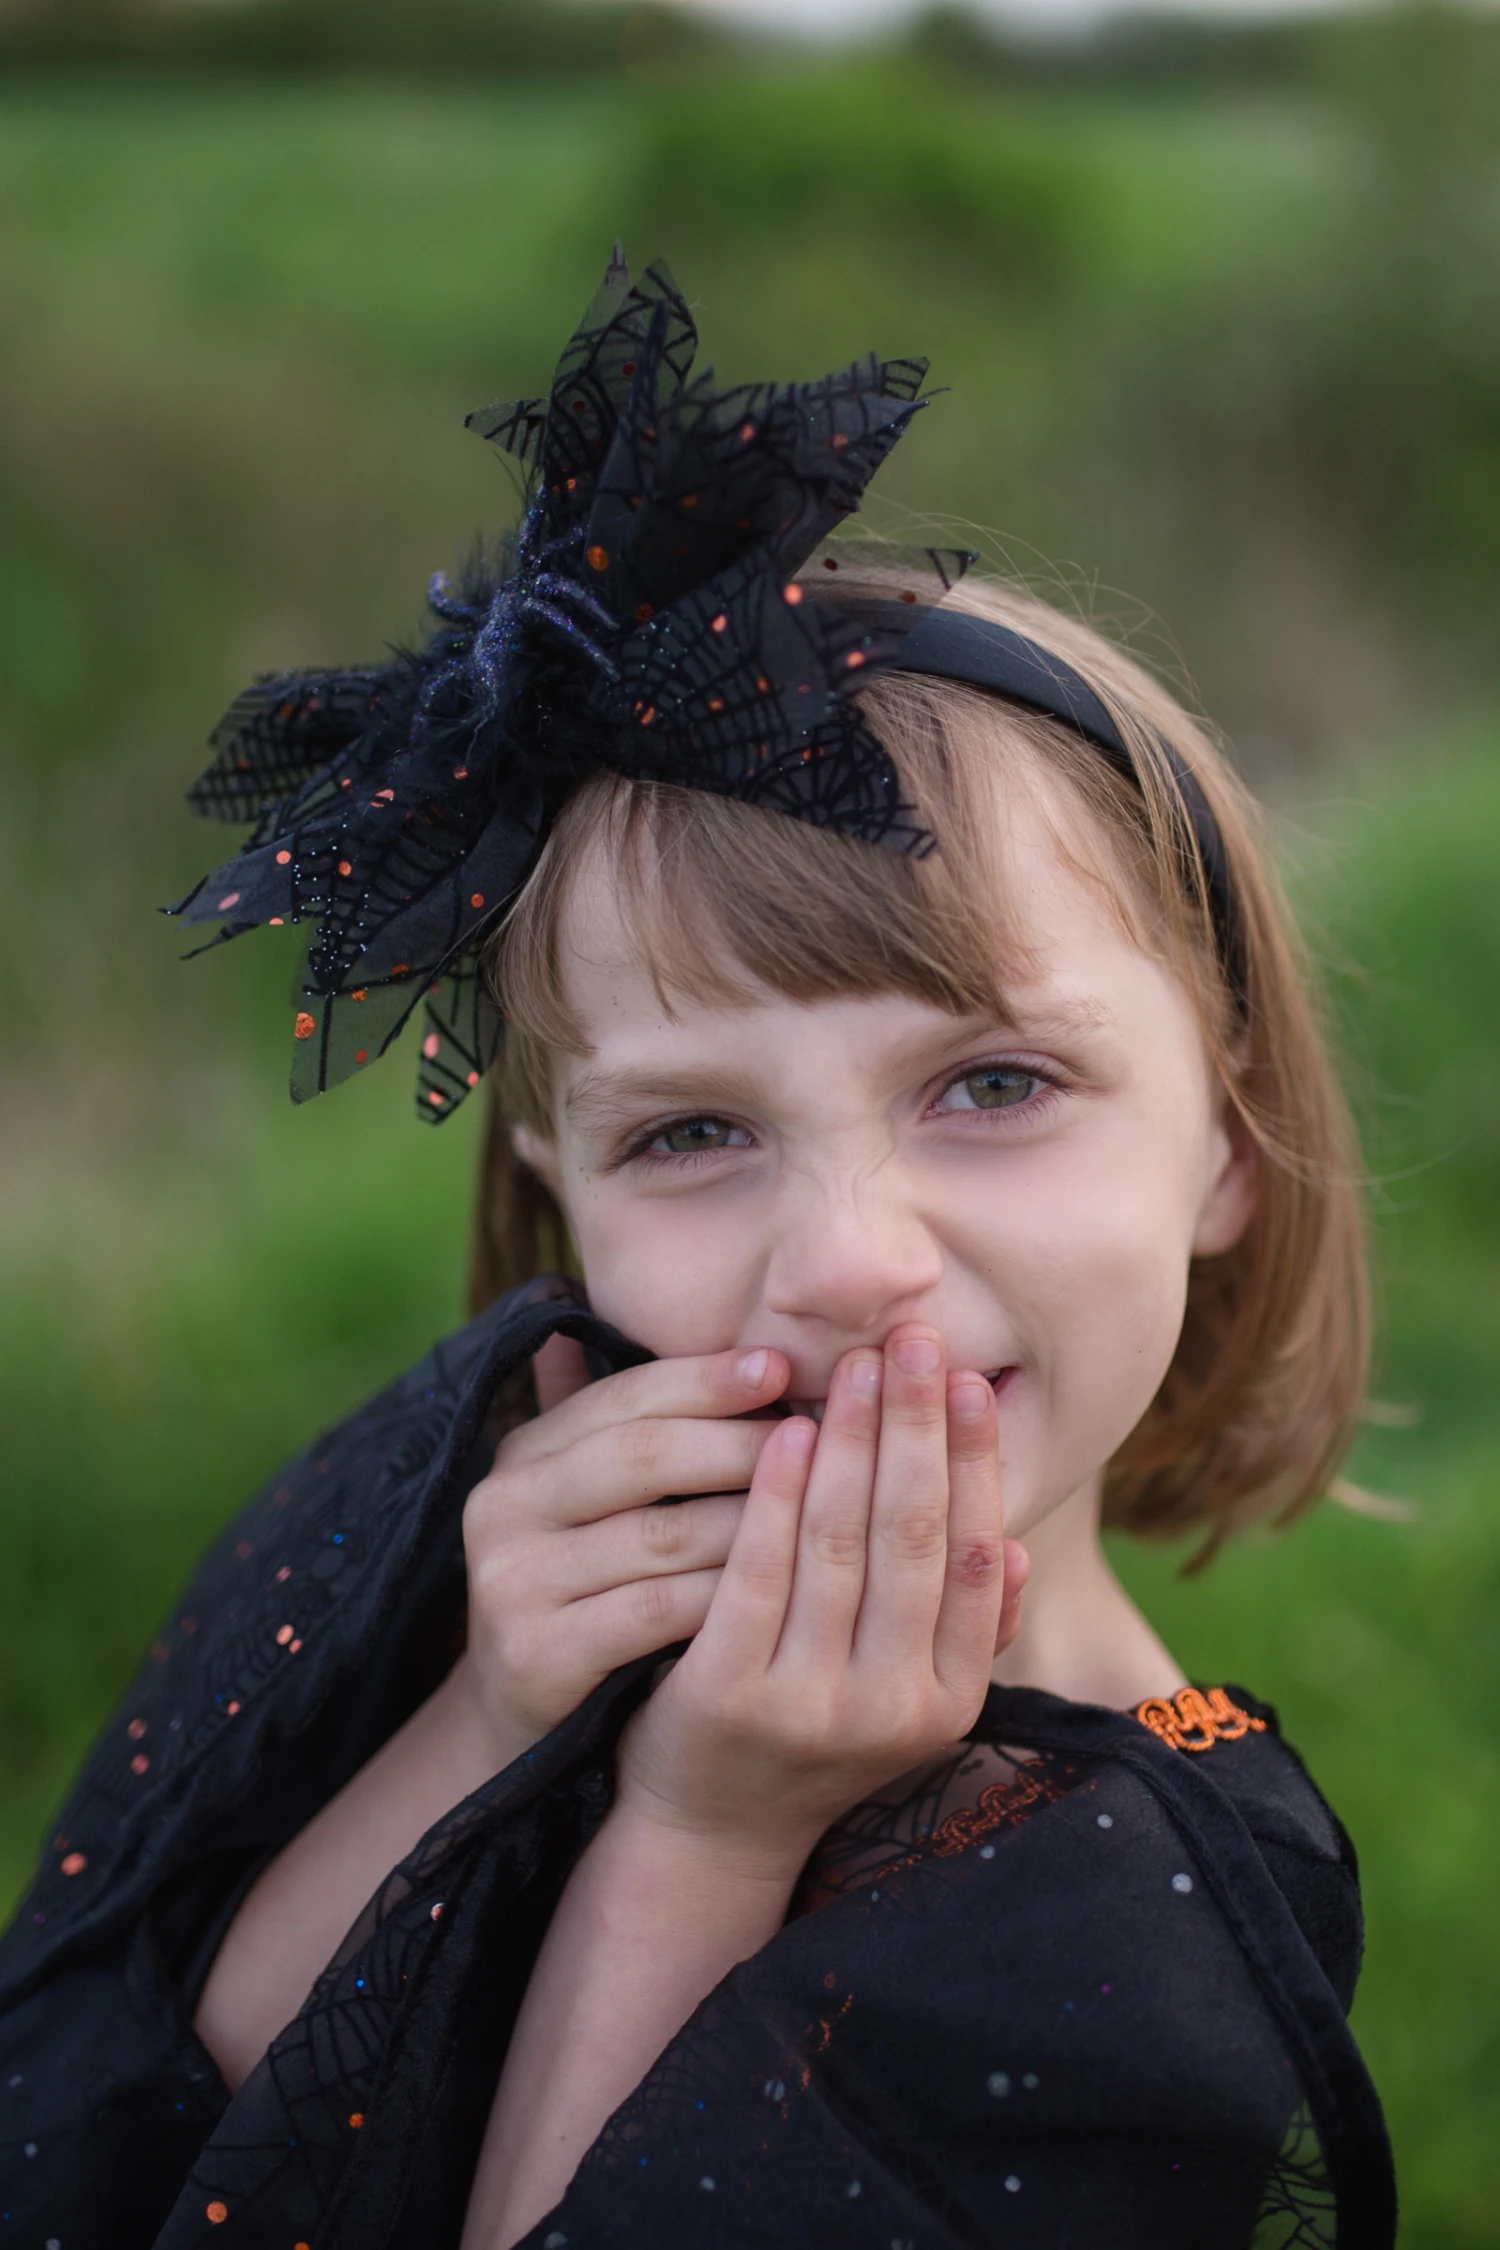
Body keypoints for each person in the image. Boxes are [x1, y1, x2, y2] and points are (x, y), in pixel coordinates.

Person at [0, 250, 1395, 2249]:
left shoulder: (1143, 1885)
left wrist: (702, 1826)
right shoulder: (494, 1496)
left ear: (1228, 1145)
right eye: (696, 1133)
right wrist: (484, 1718)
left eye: (993, 1087)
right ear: (557, 1177)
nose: (846, 1260)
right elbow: (144, 2140)